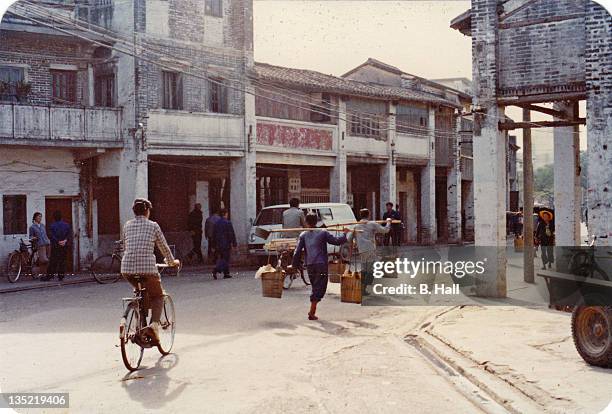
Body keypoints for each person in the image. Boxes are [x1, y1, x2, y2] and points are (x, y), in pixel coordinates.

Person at [121, 199, 179, 343]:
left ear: (134, 211)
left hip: (127, 268)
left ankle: (138, 316)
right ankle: (153, 327)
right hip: (147, 269)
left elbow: (126, 246)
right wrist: (172, 262)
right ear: (147, 211)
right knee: (158, 296)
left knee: (141, 291)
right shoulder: (153, 226)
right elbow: (164, 247)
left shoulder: (127, 225)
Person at [289, 213, 349, 320]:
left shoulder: (303, 235)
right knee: (319, 288)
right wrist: (344, 234)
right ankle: (312, 312)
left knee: (315, 287)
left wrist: (294, 265)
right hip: (321, 264)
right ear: (316, 222)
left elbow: (297, 252)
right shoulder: (322, 232)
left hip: (310, 265)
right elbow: (336, 241)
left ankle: (312, 310)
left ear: (306, 222)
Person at [348, 208, 392, 295]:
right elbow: (385, 230)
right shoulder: (372, 224)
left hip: (362, 250)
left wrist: (356, 242)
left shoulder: (356, 226)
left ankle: (362, 288)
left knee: (365, 269)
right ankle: (363, 287)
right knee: (371, 269)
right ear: (368, 215)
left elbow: (349, 239)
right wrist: (388, 222)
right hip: (370, 249)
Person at [45, 210, 72, 281]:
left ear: (54, 217)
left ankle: (50, 276)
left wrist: (57, 241)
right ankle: (61, 276)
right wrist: (65, 240)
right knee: (62, 261)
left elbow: (50, 235)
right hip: (64, 245)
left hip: (55, 245)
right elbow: (69, 235)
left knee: (53, 261)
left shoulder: (52, 225)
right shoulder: (66, 225)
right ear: (61, 217)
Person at [212, 209, 237, 279]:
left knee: (223, 257)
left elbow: (213, 235)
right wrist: (234, 243)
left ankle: (226, 273)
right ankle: (217, 269)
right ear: (225, 214)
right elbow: (231, 234)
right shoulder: (228, 223)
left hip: (218, 244)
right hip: (226, 244)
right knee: (225, 258)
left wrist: (213, 245)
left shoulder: (216, 223)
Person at [29, 212, 50, 276]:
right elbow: (30, 236)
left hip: (47, 243)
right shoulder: (32, 227)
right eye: (38, 216)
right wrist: (34, 238)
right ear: (35, 217)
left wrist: (48, 240)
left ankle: (45, 273)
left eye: (41, 216)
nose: (40, 218)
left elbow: (45, 234)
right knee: (44, 259)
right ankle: (41, 272)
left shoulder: (43, 225)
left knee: (48, 258)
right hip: (40, 244)